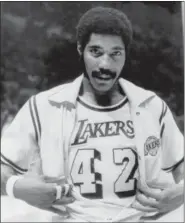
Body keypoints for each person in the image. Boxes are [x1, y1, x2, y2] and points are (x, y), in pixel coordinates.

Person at [1, 6, 184, 222]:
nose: (105, 64)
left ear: (126, 53)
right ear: (80, 49)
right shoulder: (44, 107)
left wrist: (180, 194)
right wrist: (17, 188)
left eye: (115, 53)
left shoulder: (152, 107)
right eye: (96, 52)